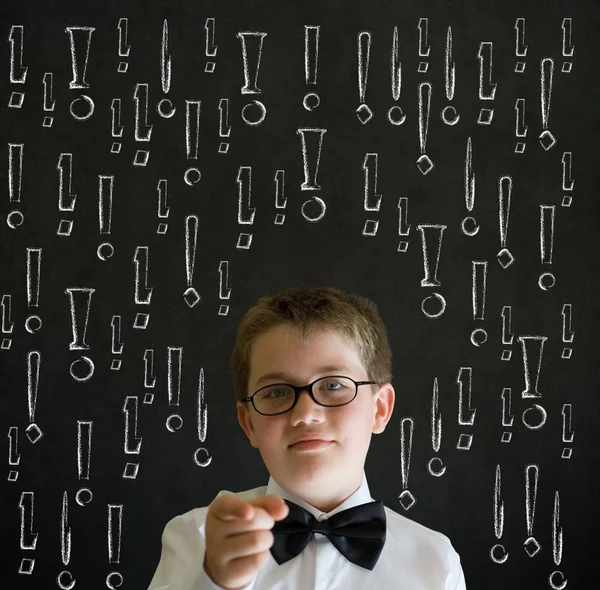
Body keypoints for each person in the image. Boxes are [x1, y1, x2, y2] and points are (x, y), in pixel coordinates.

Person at [147, 286, 467, 590]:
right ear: (249, 424)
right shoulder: (195, 537)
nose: (305, 414)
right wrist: (213, 581)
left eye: (332, 385)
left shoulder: (436, 562)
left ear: (379, 409)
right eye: (276, 392)